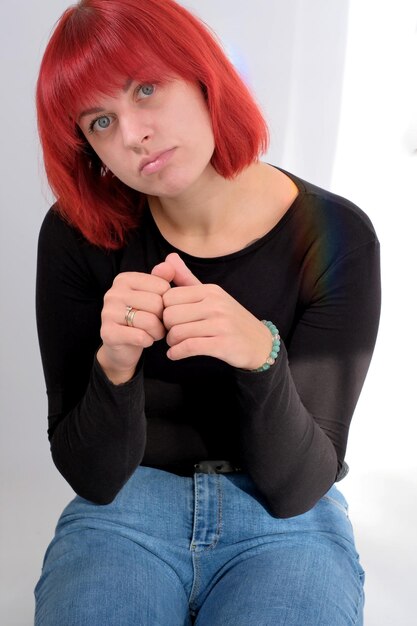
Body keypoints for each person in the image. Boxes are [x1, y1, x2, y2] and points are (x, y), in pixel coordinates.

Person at [33, 0, 381, 624]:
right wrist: (114, 366)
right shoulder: (77, 237)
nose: (132, 134)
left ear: (202, 75)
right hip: (125, 513)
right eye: (101, 121)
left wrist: (261, 355)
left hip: (284, 524)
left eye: (146, 90)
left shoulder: (335, 235)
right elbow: (93, 476)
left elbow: (299, 486)